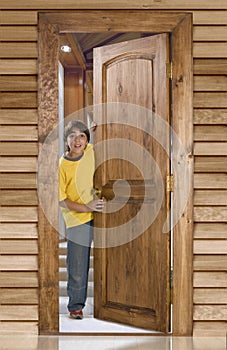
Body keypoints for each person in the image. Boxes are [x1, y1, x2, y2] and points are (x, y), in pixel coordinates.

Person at [59, 120, 104, 319]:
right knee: (77, 265)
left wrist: (97, 128)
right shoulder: (63, 165)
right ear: (66, 140)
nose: (77, 140)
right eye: (72, 136)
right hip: (77, 219)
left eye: (82, 136)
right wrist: (86, 207)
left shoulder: (91, 151)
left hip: (101, 214)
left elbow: (106, 140)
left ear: (87, 140)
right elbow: (61, 200)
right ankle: (75, 306)